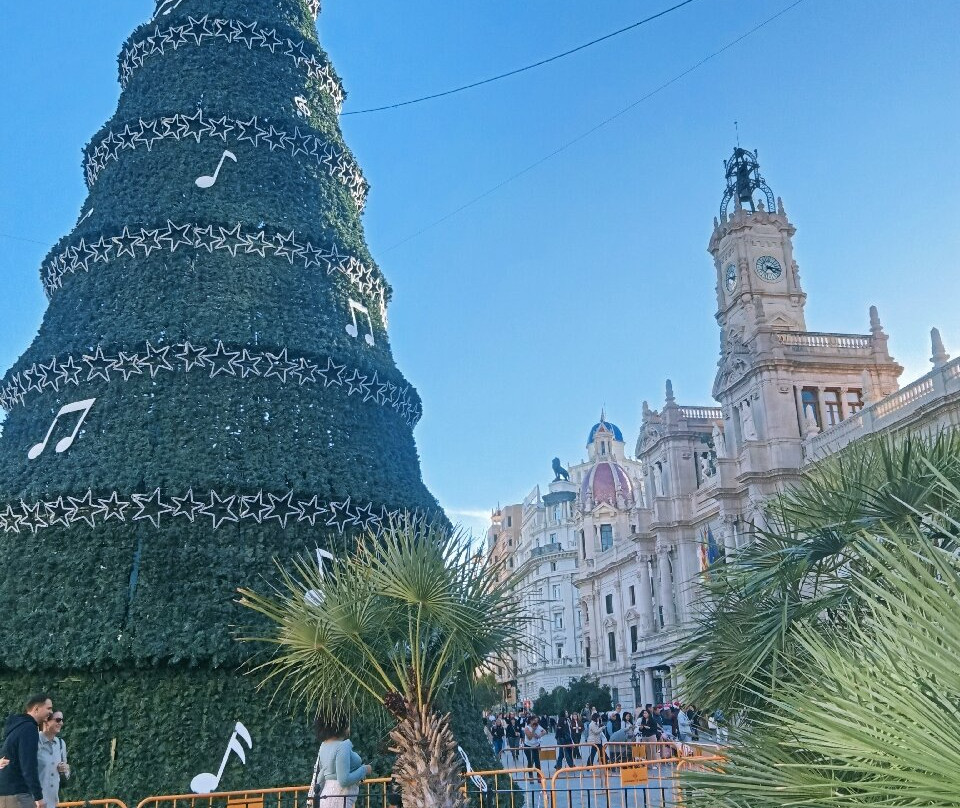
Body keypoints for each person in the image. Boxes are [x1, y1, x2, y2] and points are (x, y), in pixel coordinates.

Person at [308, 712, 372, 808]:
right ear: (342, 726)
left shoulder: (323, 745)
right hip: (339, 798)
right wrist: (365, 769)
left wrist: (315, 796)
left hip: (325, 797)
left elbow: (322, 774)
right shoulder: (342, 746)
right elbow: (344, 780)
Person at [0, 693, 53, 808]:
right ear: (36, 709)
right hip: (18, 796)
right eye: (48, 708)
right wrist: (39, 797)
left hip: (4, 795)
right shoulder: (29, 728)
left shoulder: (16, 727)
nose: (51, 712)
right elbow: (28, 764)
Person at [37, 711, 69, 808]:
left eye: (62, 720)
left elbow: (66, 774)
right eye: (58, 720)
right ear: (46, 722)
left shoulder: (61, 743)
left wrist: (65, 769)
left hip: (52, 801)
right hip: (35, 801)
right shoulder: (34, 740)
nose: (61, 723)